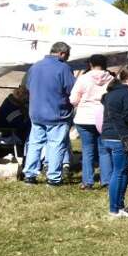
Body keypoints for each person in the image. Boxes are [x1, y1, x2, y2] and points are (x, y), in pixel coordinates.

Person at [23, 42, 76, 186]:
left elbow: (27, 86)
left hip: (36, 112)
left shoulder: (35, 67)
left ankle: (29, 174)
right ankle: (53, 177)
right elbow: (72, 90)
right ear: (62, 53)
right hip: (56, 113)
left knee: (34, 143)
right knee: (56, 145)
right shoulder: (64, 68)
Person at [101, 66, 128, 218]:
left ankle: (120, 206)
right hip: (120, 137)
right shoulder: (127, 94)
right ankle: (114, 209)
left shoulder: (111, 93)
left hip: (108, 136)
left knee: (123, 171)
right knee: (119, 173)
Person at [70, 54, 114, 190]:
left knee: (87, 150)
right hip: (104, 116)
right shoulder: (112, 79)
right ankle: (106, 180)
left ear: (90, 64)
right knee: (104, 150)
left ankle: (87, 182)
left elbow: (73, 99)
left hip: (84, 117)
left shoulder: (83, 78)